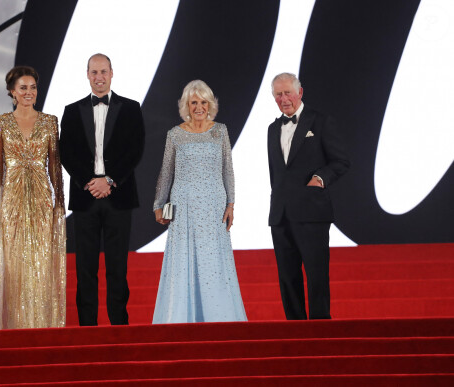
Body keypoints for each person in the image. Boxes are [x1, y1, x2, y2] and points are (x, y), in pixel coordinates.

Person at [59, 54, 145, 326]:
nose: (99, 77)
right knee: (85, 267)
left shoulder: (131, 108)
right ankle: (87, 329)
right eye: (94, 72)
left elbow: (135, 150)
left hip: (118, 196)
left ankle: (119, 326)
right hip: (85, 198)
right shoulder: (72, 111)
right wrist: (90, 181)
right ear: (87, 74)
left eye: (103, 71)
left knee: (117, 266)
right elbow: (66, 153)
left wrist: (108, 180)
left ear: (112, 73)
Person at [152, 80, 247, 324]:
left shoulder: (220, 131)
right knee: (184, 261)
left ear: (210, 104)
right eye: (194, 102)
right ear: (186, 105)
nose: (199, 107)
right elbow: (166, 173)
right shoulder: (175, 134)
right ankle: (182, 319)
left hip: (214, 207)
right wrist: (158, 205)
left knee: (214, 262)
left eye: (203, 102)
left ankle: (219, 319)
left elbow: (228, 170)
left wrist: (231, 204)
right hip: (183, 208)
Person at [0, 66, 66, 329]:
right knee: (14, 264)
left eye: (32, 87)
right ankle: (16, 327)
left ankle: (42, 325)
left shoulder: (49, 121)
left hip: (42, 197)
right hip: (11, 200)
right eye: (23, 88)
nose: (29, 92)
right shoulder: (0, 122)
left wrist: (59, 203)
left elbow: (55, 166)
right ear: (12, 92)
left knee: (41, 262)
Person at [267, 72, 350, 320]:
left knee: (316, 275)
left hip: (312, 212)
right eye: (278, 94)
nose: (284, 99)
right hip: (280, 215)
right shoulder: (272, 129)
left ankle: (320, 330)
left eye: (288, 93)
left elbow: (341, 161)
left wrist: (320, 179)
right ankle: (295, 331)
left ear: (300, 93)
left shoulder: (321, 122)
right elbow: (276, 174)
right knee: (287, 277)